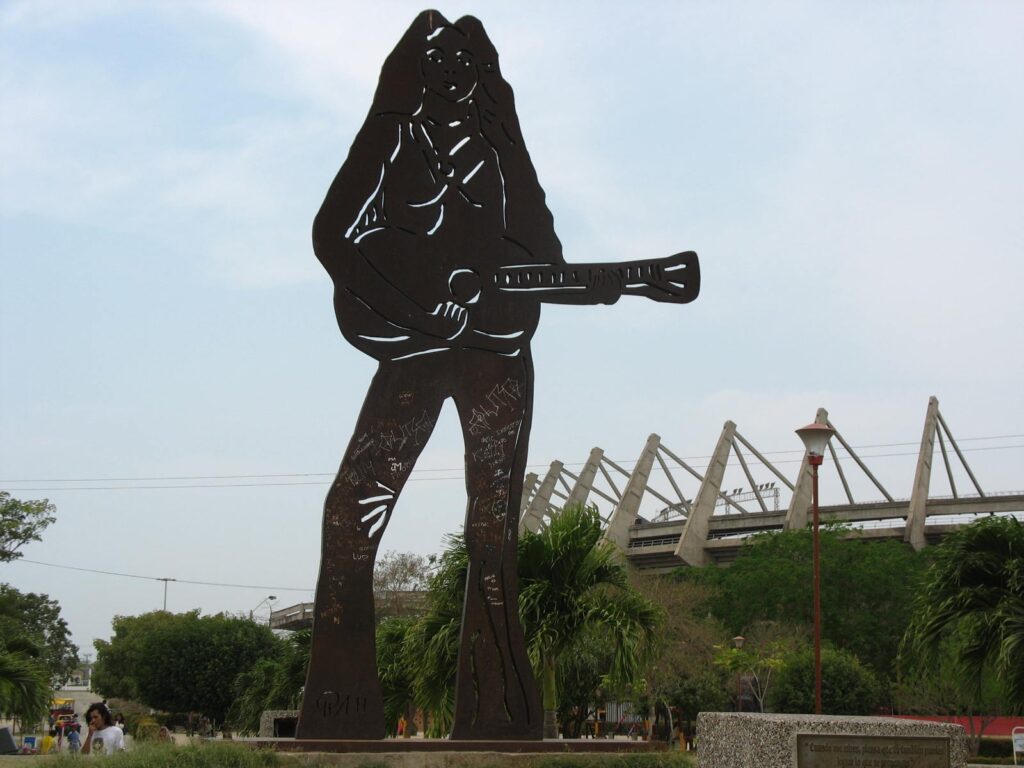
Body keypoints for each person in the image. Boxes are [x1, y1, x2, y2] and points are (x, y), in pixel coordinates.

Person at [297, 10, 580, 741]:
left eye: (466, 55)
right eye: (438, 55)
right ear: (413, 66)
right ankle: (340, 704)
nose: (452, 67)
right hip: (412, 349)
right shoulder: (392, 134)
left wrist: (513, 159)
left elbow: (543, 246)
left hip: (497, 353)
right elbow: (333, 234)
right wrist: (415, 312)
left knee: (494, 534)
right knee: (352, 508)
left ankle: (500, 710)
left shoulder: (499, 145)